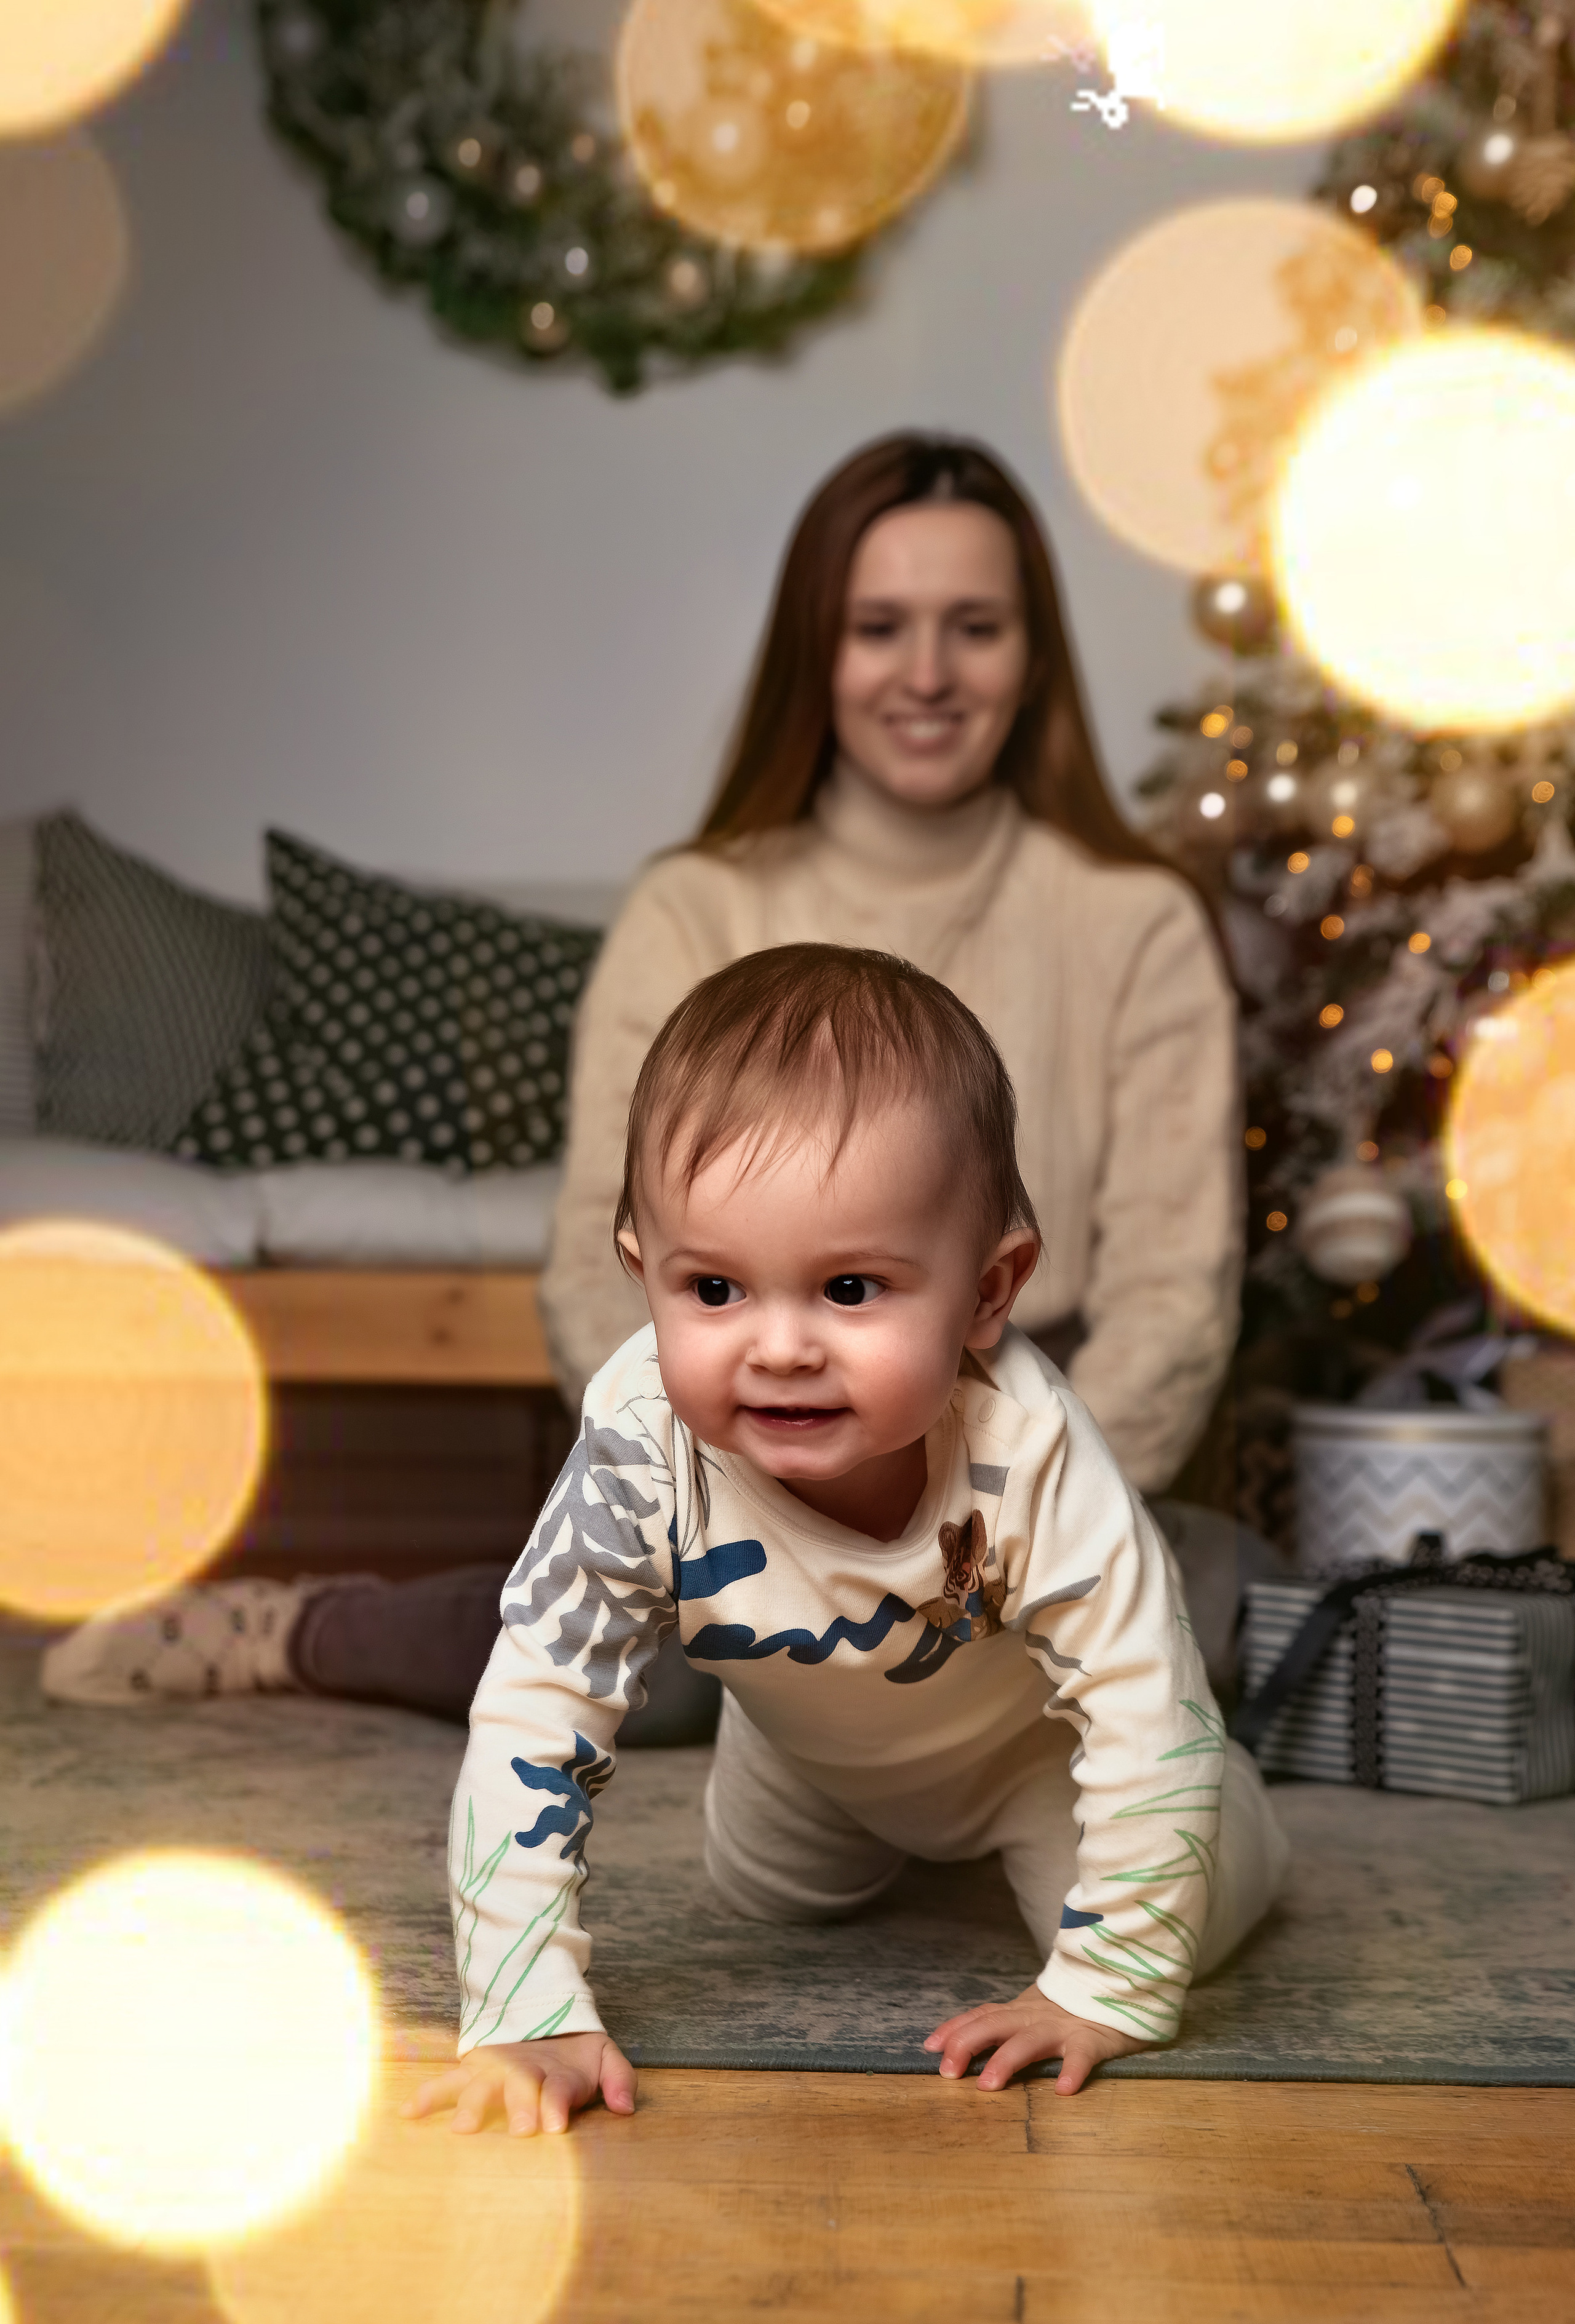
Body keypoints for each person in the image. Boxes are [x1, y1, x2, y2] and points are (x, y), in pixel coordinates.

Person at [41, 431, 1273, 1729]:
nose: (926, 674)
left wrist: (1008, 1528)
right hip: (752, 1439)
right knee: (673, 1664)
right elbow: (595, 1254)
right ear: (818, 652)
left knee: (1217, 1602)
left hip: (1026, 1450)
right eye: (878, 628)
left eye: (972, 627)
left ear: (1030, 661)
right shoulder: (695, 906)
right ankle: (298, 1627)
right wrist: (734, 1483)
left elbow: (1173, 1293)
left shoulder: (1132, 921)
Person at [405, 945, 1288, 2137]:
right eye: (712, 1291)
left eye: (850, 1290)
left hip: (1022, 1745)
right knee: (765, 1898)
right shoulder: (636, 1446)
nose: (778, 1348)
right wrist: (520, 2006)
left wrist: (1109, 1985)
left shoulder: (1026, 1448)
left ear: (986, 1293)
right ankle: (802, 1746)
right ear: (642, 1276)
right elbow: (535, 1708)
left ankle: (1247, 1819)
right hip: (801, 1745)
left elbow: (1139, 1708)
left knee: (1180, 1909)